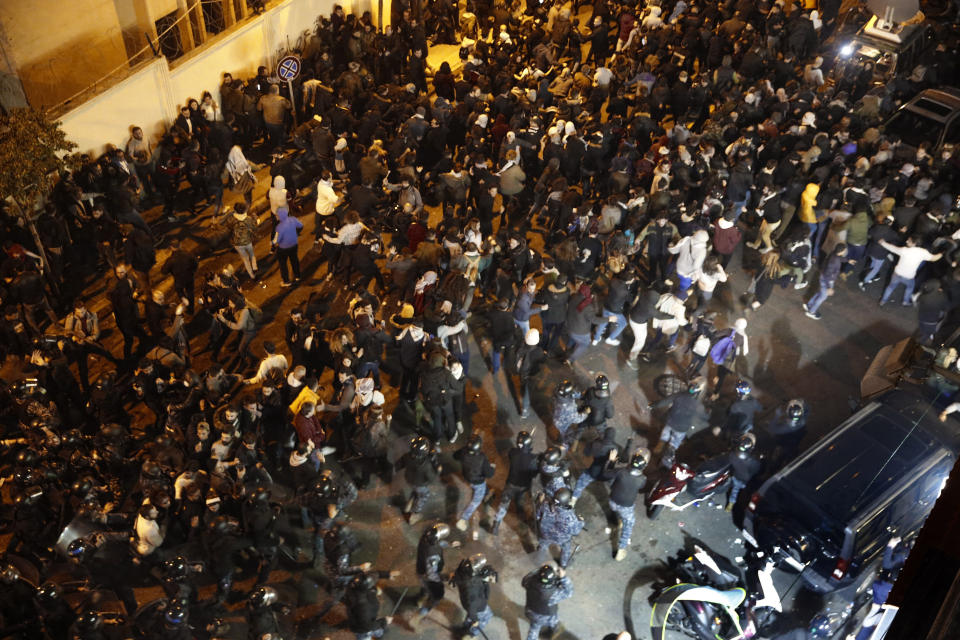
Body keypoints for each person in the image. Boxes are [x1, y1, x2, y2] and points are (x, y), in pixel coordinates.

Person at [490, 430, 539, 535]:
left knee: (503, 504)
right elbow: (534, 474)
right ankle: (519, 511)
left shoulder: (512, 452)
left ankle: (496, 524)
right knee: (520, 499)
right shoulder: (533, 458)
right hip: (523, 485)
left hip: (510, 484)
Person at [607, 449, 650, 561]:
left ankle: (617, 521)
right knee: (629, 525)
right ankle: (621, 549)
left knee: (616, 511)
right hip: (625, 507)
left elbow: (607, 474)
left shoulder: (620, 471)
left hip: (612, 501)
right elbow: (641, 488)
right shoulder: (642, 479)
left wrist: (612, 462)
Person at [878, 236, 942, 306]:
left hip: (897, 273)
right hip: (908, 277)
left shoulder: (904, 250)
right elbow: (934, 258)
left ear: (914, 243)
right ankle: (905, 301)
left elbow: (893, 248)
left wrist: (883, 243)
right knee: (910, 287)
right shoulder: (923, 252)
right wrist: (942, 253)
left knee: (890, 287)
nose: (906, 241)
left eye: (909, 241)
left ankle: (882, 301)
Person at [453, 433, 495, 532]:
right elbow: (489, 474)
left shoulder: (463, 451)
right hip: (478, 482)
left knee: (483, 489)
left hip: (467, 478)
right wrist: (492, 467)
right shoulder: (482, 458)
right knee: (476, 501)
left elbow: (455, 456)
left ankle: (487, 493)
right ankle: (463, 518)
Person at [415, 523, 460, 615]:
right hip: (428, 576)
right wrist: (447, 577)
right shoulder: (433, 555)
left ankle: (422, 596)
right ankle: (424, 610)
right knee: (437, 595)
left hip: (421, 569)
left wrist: (449, 544)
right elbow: (431, 575)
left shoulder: (426, 537)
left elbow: (438, 543)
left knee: (424, 586)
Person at [450, 553, 497, 638]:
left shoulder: (463, 572)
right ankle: (471, 634)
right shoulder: (471, 587)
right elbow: (472, 605)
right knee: (487, 616)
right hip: (478, 606)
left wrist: (484, 579)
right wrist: (475, 620)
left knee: (470, 616)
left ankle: (463, 629)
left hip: (468, 604)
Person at [521, 564, 574, 640]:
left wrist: (541, 570)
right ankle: (553, 630)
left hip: (531, 612)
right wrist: (563, 578)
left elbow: (526, 579)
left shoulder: (529, 582)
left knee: (534, 629)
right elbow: (569, 592)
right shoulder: (553, 594)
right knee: (554, 622)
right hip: (547, 617)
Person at [535, 487, 584, 568]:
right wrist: (581, 521)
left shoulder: (545, 503)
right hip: (561, 539)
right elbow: (576, 531)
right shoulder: (570, 518)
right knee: (566, 547)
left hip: (545, 534)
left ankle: (539, 562)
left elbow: (537, 515)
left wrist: (540, 502)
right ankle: (563, 564)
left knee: (542, 545)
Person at [803, 243, 847, 319]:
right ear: (842, 251)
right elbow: (828, 275)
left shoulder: (834, 253)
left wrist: (848, 260)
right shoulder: (834, 262)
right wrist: (828, 287)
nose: (845, 251)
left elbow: (839, 258)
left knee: (819, 293)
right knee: (822, 297)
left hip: (823, 277)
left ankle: (809, 305)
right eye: (845, 250)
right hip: (827, 281)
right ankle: (811, 312)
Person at [727, 433, 762, 511]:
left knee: (733, 488)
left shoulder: (732, 454)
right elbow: (755, 471)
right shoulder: (753, 461)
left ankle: (730, 502)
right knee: (739, 492)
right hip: (744, 480)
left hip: (735, 476)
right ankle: (735, 505)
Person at [552, 380, 590, 448]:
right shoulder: (568, 407)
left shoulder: (558, 391)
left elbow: (571, 394)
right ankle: (563, 445)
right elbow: (577, 419)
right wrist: (585, 413)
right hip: (561, 423)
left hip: (557, 415)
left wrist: (580, 395)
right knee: (568, 435)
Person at [272, 206, 303, 286]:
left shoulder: (279, 227)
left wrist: (272, 243)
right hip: (294, 245)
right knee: (294, 260)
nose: (276, 216)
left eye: (277, 215)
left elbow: (276, 240)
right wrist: (295, 233)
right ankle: (297, 276)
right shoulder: (293, 219)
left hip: (283, 249)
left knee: (283, 264)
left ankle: (286, 281)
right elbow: (301, 226)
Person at [226, 203, 259, 279]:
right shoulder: (248, 219)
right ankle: (254, 267)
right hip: (247, 241)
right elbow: (255, 228)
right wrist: (256, 220)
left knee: (245, 259)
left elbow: (228, 227)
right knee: (252, 254)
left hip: (237, 243)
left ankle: (252, 275)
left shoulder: (231, 219)